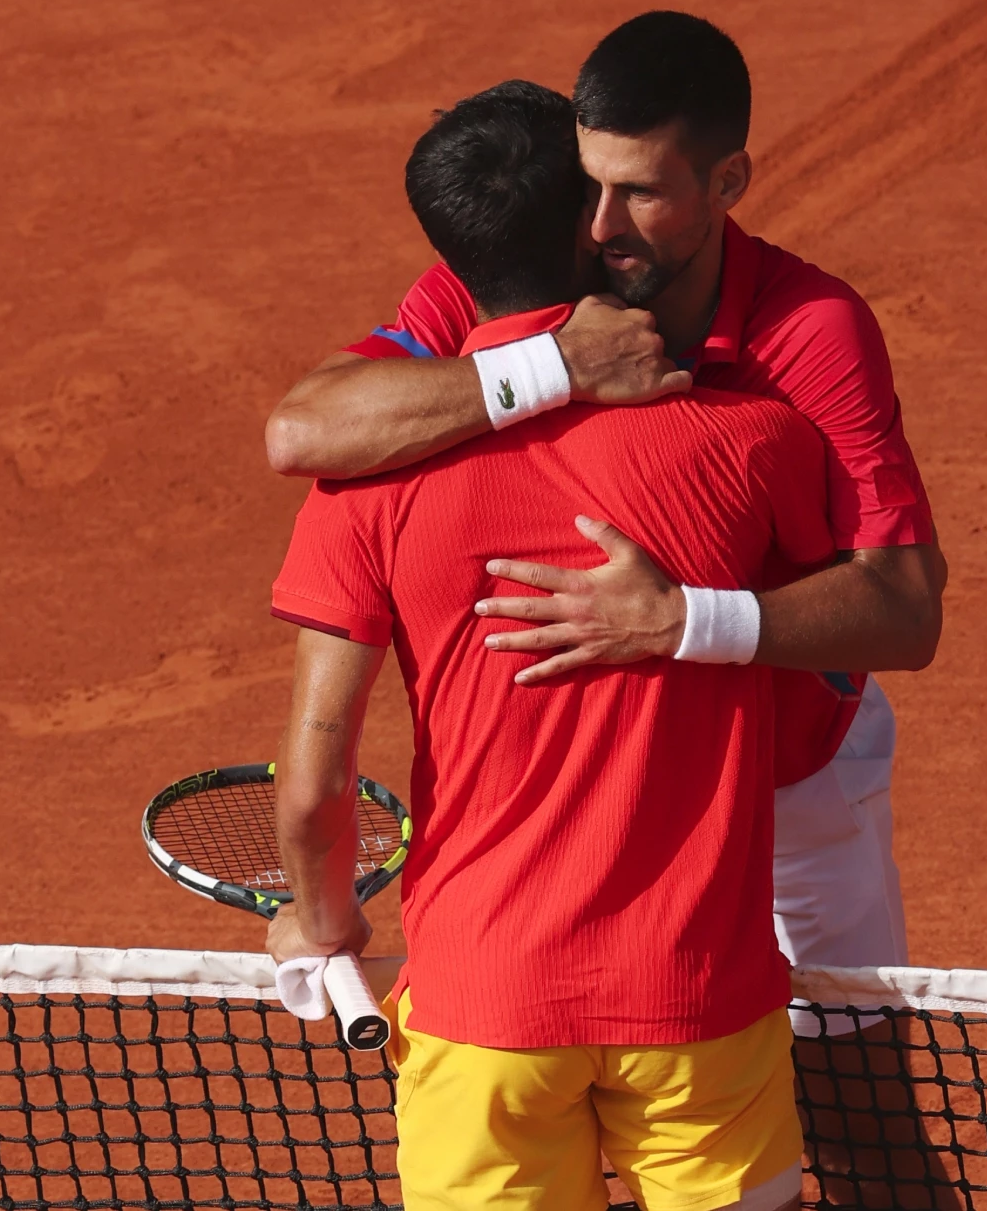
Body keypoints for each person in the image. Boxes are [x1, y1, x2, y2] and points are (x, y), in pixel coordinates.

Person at [264, 11, 943, 989]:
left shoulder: (812, 331)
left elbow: (906, 612)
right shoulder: (516, 283)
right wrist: (553, 364)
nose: (597, 226)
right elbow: (303, 429)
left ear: (728, 183)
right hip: (593, 789)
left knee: (851, 1076)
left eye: (639, 193)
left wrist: (683, 622)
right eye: (591, 183)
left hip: (793, 775)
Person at [267, 79, 836, 1211]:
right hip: (699, 999)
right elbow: (833, 661)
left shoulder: (363, 486)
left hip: (485, 1008)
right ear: (596, 223)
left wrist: (319, 915)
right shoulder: (757, 445)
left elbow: (315, 778)